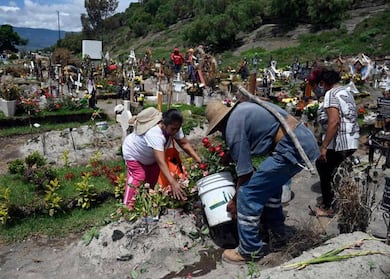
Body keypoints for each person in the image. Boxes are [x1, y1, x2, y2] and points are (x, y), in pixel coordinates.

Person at [205, 98, 320, 264]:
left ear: (219, 124)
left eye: (217, 129)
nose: (220, 133)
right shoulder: (244, 109)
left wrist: (235, 200)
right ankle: (277, 235)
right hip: (303, 139)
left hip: (292, 146)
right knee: (271, 189)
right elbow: (262, 134)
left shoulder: (232, 128)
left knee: (247, 193)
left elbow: (245, 175)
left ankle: (248, 250)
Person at [307, 66, 360, 217]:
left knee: (322, 166)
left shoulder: (331, 94)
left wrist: (324, 146)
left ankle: (328, 206)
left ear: (323, 83)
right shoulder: (346, 91)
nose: (318, 88)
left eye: (319, 84)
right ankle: (341, 198)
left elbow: (334, 122)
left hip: (341, 140)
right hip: (352, 138)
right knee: (333, 169)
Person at [122, 107, 201, 208]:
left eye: (177, 129)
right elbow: (161, 161)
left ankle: (144, 208)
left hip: (150, 157)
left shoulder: (175, 127)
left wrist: (199, 160)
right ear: (163, 124)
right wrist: (173, 182)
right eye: (173, 129)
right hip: (134, 153)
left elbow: (184, 144)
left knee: (151, 182)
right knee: (139, 176)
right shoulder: (155, 133)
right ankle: (127, 206)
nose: (175, 132)